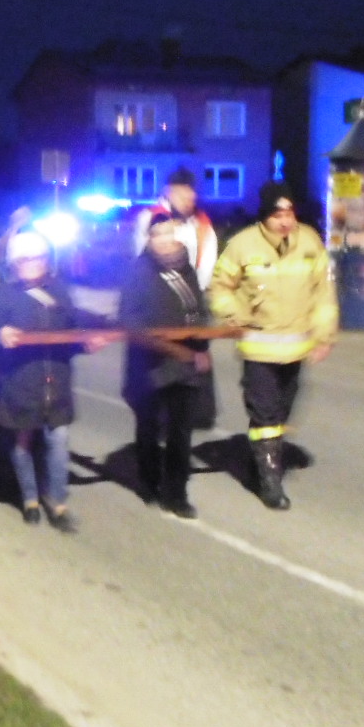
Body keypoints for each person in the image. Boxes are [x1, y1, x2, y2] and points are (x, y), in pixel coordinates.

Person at [208, 181, 338, 510]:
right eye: (277, 215)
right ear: (265, 215)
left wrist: (324, 336)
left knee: (281, 413)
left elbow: (323, 294)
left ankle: (262, 458)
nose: (284, 221)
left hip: (295, 348)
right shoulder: (243, 244)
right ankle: (270, 483)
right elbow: (220, 287)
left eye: (289, 213)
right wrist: (233, 315)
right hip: (259, 348)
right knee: (265, 414)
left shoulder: (309, 241)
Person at [0, 230, 107, 531]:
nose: (33, 263)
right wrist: (0, 335)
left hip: (56, 383)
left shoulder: (59, 292)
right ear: (14, 262)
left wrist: (85, 343)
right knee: (23, 442)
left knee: (58, 441)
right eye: (25, 258)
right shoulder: (2, 295)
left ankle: (57, 501)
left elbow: (70, 335)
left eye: (38, 257)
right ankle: (30, 499)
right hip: (20, 383)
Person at [122, 210, 215, 518]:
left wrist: (202, 346)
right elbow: (129, 320)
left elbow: (198, 311)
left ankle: (177, 494)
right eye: (157, 234)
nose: (163, 240)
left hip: (185, 365)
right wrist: (170, 347)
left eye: (168, 233)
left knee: (180, 433)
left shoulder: (186, 267)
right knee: (149, 428)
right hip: (150, 366)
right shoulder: (138, 272)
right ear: (148, 239)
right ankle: (149, 482)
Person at [132, 165, 219, 288]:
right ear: (168, 192)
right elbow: (139, 254)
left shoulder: (203, 225)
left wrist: (198, 292)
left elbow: (207, 266)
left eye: (189, 197)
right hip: (152, 289)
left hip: (189, 291)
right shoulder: (149, 217)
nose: (186, 202)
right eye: (180, 196)